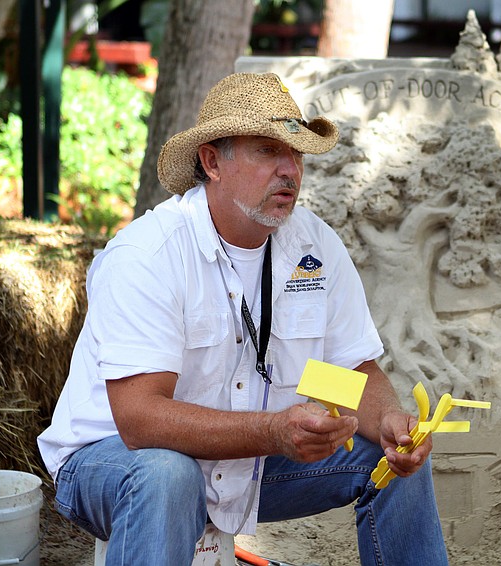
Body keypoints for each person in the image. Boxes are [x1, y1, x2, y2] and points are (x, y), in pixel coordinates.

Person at [37, 72, 448, 565]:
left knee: (397, 461)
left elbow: (350, 372)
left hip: (244, 461)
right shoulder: (149, 253)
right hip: (110, 460)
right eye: (267, 151)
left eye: (295, 153)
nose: (289, 170)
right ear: (212, 161)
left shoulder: (315, 247)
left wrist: (389, 423)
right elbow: (139, 419)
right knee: (168, 475)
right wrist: (274, 432)